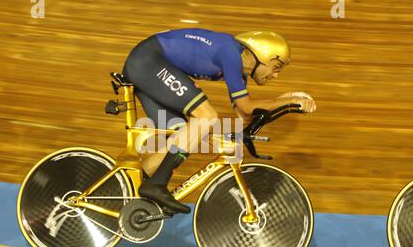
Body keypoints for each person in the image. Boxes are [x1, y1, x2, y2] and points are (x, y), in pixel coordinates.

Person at [122, 28, 316, 215]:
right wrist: (289, 98)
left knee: (184, 136)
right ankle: (157, 185)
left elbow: (245, 114)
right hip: (148, 61)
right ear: (264, 56)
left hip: (148, 65)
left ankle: (127, 188)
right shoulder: (230, 53)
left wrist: (285, 107)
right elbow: (247, 106)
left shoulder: (239, 72)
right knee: (207, 117)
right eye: (276, 68)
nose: (275, 75)